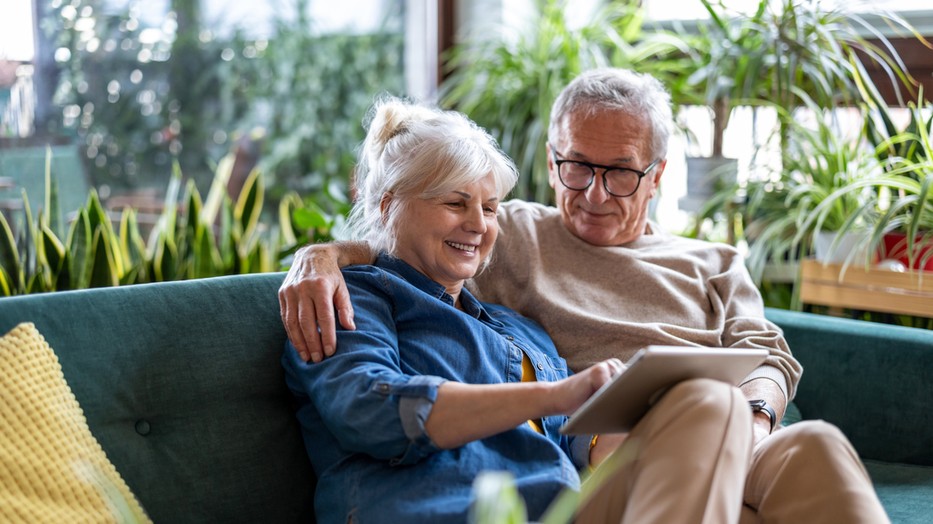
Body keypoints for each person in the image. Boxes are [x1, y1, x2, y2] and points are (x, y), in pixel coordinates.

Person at [280, 69, 890, 523]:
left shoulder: (523, 328)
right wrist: (323, 256)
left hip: (705, 446)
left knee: (815, 445)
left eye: (620, 173)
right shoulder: (510, 238)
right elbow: (397, 251)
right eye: (577, 167)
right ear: (552, 163)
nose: (595, 194)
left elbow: (764, 355)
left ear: (657, 175)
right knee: (709, 406)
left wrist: (750, 426)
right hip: (541, 487)